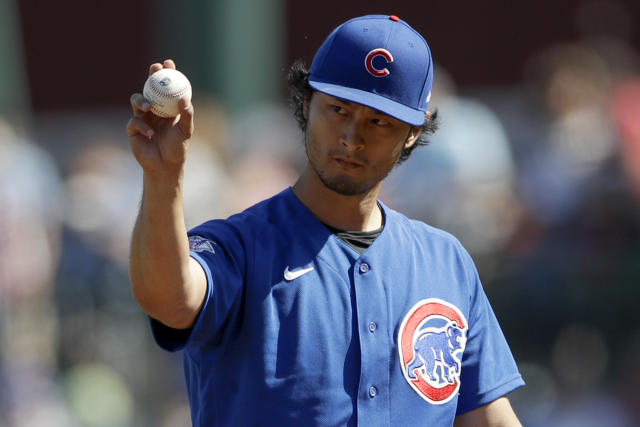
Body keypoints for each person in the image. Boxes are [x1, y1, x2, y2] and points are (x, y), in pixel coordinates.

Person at [126, 14, 524, 426]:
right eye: (337, 109)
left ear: (412, 133)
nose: (352, 136)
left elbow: (488, 418)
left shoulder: (445, 262)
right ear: (305, 103)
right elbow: (168, 300)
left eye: (379, 121)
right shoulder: (240, 245)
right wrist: (163, 178)